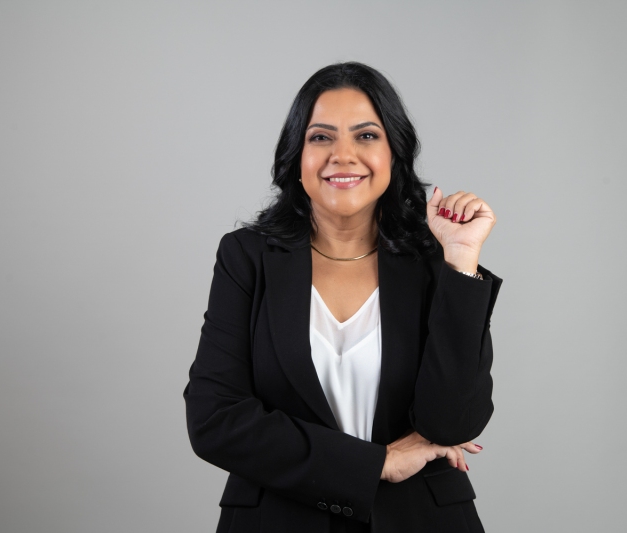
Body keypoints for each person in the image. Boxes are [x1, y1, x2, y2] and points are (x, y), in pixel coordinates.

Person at [183, 61, 503, 533]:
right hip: (279, 520)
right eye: (321, 137)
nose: (343, 155)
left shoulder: (436, 262)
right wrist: (375, 463)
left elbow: (452, 422)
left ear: (394, 152)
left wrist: (460, 259)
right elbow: (214, 417)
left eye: (366, 136)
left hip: (419, 520)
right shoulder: (247, 257)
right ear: (296, 155)